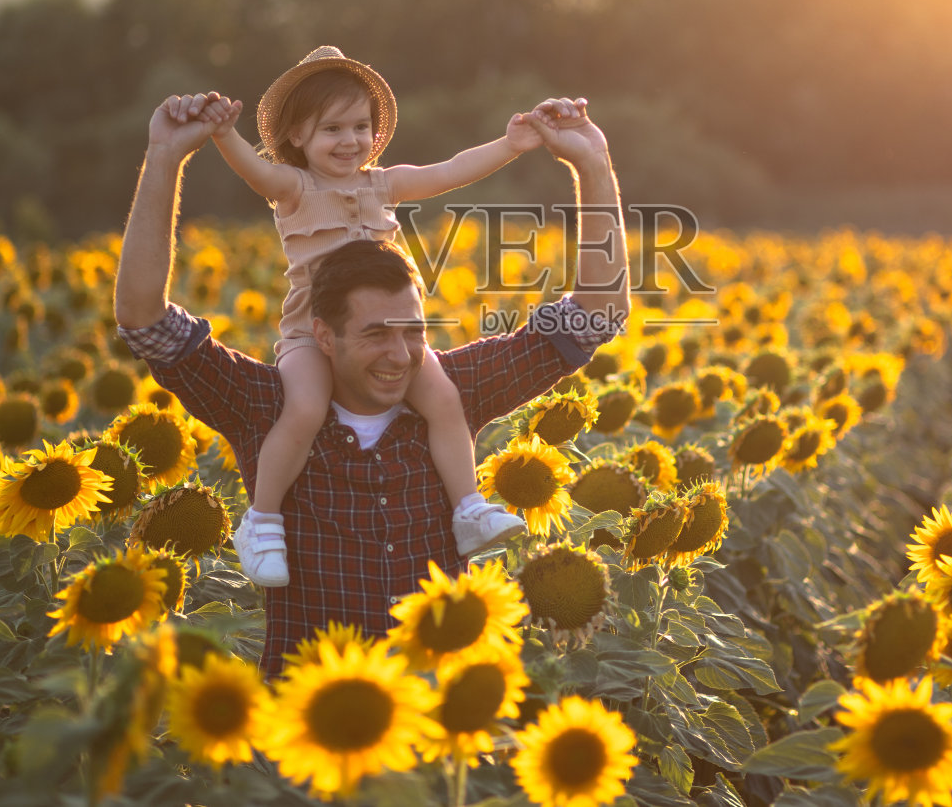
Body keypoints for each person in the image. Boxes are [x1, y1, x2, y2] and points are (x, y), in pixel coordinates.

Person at [113, 88, 627, 678]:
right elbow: (144, 321)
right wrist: (164, 158)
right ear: (323, 335)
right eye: (376, 334)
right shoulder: (266, 407)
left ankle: (471, 510)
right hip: (307, 726)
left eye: (413, 330)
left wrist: (591, 162)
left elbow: (595, 317)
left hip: (438, 724)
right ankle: (264, 523)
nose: (400, 355)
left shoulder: (453, 389)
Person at [199, 46, 542, 586]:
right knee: (306, 408)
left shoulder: (384, 184)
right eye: (332, 128)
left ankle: (469, 508)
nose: (350, 140)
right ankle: (262, 521)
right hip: (310, 334)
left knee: (445, 398)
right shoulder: (295, 189)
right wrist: (223, 135)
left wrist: (512, 144)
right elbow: (257, 174)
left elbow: (451, 170)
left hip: (389, 334)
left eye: (361, 126)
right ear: (297, 137)